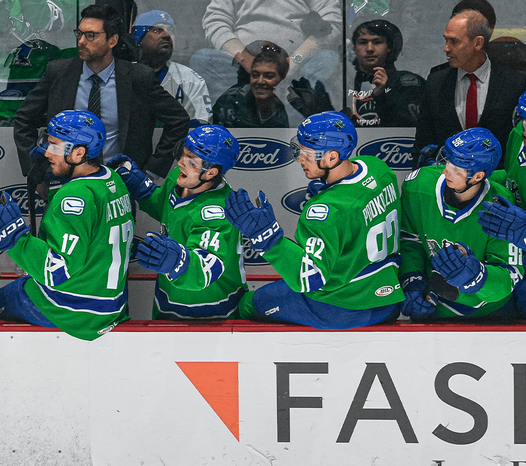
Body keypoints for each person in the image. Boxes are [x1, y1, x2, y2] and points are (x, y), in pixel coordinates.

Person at [225, 111, 404, 329]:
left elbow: (309, 278)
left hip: (339, 309)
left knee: (247, 303)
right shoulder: (377, 168)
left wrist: (268, 239)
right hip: (388, 301)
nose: (300, 159)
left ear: (331, 157)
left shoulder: (325, 210)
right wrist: (330, 187)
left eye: (307, 154)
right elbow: (357, 204)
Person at [0, 110, 132, 340]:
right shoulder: (113, 179)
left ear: (78, 153)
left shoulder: (74, 196)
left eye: (55, 146)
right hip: (109, 306)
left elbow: (57, 271)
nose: (47, 152)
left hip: (72, 310)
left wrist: (12, 237)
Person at [12, 4, 189, 180]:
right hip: (65, 181)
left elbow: (178, 120)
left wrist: (152, 171)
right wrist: (36, 172)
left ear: (112, 40)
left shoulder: (138, 78)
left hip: (119, 184)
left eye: (91, 36)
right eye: (79, 34)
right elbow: (24, 120)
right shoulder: (59, 72)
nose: (81, 41)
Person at [110, 125, 246, 319]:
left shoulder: (218, 212)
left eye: (191, 161)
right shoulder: (179, 179)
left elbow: (207, 268)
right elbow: (165, 208)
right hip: (167, 303)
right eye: (182, 154)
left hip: (215, 313)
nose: (181, 163)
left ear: (211, 173)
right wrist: (143, 189)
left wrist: (179, 262)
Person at [398, 127, 521, 320]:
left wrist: (477, 277)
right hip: (432, 307)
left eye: (457, 168)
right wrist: (412, 280)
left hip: (488, 315)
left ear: (478, 176)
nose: (446, 170)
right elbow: (410, 241)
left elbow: (508, 276)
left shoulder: (500, 207)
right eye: (448, 161)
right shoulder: (418, 186)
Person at [413, 10, 526, 167]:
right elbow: (423, 143)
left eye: (454, 41)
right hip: (448, 181)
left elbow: (519, 142)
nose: (446, 48)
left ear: (478, 43)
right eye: (446, 40)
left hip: (499, 182)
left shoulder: (515, 83)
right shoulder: (436, 82)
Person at [191, 0, 341, 100]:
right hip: (240, 67)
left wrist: (295, 61)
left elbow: (332, 22)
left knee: (328, 58)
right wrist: (245, 60)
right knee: (202, 58)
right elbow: (216, 19)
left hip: (297, 66)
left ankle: (296, 115)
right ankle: (234, 112)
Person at [133, 10, 212, 125]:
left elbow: (202, 127)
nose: (166, 35)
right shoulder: (122, 74)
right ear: (139, 39)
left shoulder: (190, 80)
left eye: (170, 31)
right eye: (157, 30)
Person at [346, 19, 424, 128]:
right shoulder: (344, 82)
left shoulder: (409, 84)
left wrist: (383, 95)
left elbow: (410, 128)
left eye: (377, 42)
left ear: (389, 47)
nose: (369, 49)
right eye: (363, 42)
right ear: (354, 48)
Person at [211, 41, 290, 128]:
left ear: (281, 79)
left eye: (269, 76)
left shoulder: (281, 107)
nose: (260, 81)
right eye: (255, 75)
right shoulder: (229, 102)